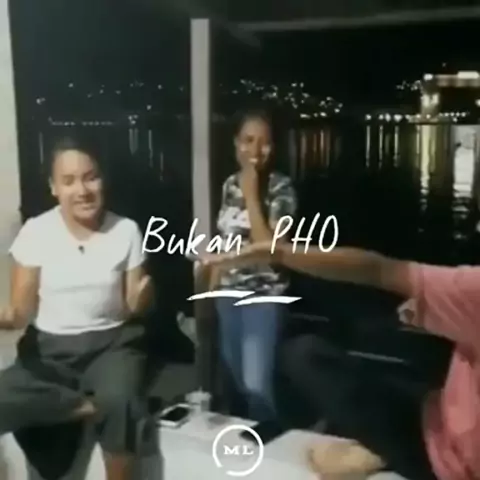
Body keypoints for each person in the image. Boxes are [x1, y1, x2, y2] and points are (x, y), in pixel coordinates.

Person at [202, 242, 479, 480]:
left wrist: (278, 253)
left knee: (305, 357)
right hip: (439, 409)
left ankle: (385, 452)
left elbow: (379, 270)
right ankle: (379, 448)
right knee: (313, 355)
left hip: (449, 461)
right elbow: (387, 278)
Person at [0, 136, 153, 480]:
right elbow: (20, 312)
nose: (82, 190)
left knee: (121, 400)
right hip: (48, 351)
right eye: (68, 181)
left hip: (111, 347)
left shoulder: (126, 230)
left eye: (90, 177)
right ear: (54, 187)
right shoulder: (36, 231)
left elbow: (133, 306)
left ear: (103, 180)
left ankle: (99, 408)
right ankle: (84, 406)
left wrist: (142, 298)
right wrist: (5, 318)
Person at [208, 108, 297, 422]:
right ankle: (240, 441)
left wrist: (252, 196)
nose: (256, 150)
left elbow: (270, 251)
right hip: (228, 295)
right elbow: (225, 239)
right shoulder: (229, 185)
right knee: (233, 380)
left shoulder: (281, 189)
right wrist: (210, 290)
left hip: (264, 297)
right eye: (248, 140)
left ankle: (267, 438)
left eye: (265, 142)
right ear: (236, 143)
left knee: (256, 386)